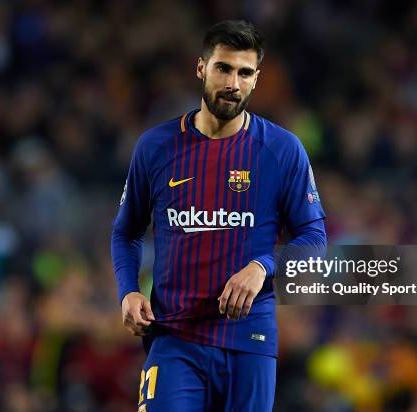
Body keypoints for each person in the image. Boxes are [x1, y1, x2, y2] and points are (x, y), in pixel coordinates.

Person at [112, 19, 326, 412]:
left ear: (257, 79)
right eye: (223, 68)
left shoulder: (282, 150)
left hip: (250, 341)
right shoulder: (156, 147)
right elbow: (126, 232)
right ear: (201, 68)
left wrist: (262, 266)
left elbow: (314, 241)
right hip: (175, 337)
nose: (233, 83)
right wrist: (127, 289)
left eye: (245, 73)